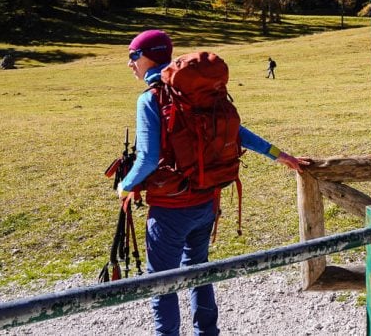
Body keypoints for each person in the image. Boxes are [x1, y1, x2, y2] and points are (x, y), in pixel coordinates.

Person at [118, 29, 305, 336]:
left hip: (170, 209)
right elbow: (237, 131)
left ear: (149, 56)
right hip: (207, 202)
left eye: (133, 56)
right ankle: (207, 332)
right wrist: (278, 154)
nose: (130, 64)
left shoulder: (151, 99)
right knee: (198, 270)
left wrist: (125, 186)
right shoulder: (197, 93)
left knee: (160, 280)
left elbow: (148, 159)